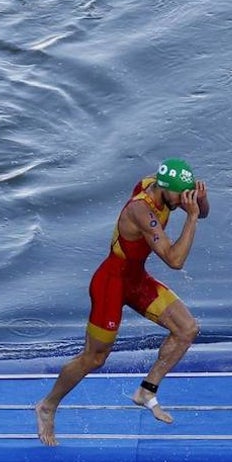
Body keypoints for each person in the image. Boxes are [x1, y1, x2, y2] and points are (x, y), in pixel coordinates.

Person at [35, 157, 209, 445]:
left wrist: (200, 202)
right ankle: (47, 405)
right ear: (165, 188)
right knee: (94, 359)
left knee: (187, 328)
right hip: (110, 283)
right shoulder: (141, 210)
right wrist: (190, 217)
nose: (183, 201)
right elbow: (175, 260)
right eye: (182, 196)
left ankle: (146, 390)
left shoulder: (161, 188)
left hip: (136, 280)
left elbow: (202, 213)